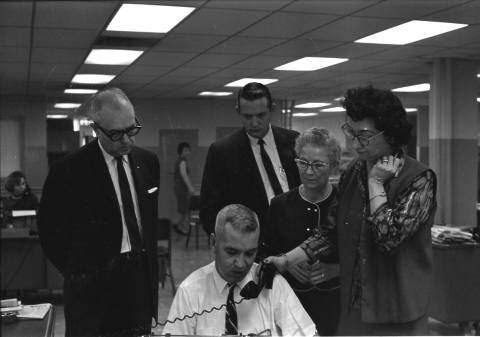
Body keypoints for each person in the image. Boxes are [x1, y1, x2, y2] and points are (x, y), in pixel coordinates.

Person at [266, 85, 437, 336]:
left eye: (364, 135)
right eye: (351, 132)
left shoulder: (419, 178)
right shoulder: (354, 171)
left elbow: (388, 237)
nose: (355, 143)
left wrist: (376, 184)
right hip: (354, 307)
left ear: (389, 133)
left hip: (398, 310)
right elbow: (330, 232)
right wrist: (286, 260)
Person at [37, 88, 160, 337]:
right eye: (116, 134)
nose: (127, 140)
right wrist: (80, 272)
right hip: (91, 291)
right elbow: (50, 234)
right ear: (96, 129)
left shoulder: (148, 162)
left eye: (132, 129)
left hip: (138, 283)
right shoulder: (68, 171)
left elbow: (148, 223)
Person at [163, 204, 316, 336]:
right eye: (231, 252)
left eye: (250, 253)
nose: (241, 264)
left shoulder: (273, 286)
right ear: (213, 243)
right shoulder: (190, 291)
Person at [262, 127, 341, 336]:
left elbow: (364, 258)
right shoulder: (279, 205)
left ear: (333, 167)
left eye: (318, 165)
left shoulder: (344, 204)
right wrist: (286, 264)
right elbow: (262, 253)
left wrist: (336, 269)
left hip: (335, 305)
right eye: (303, 163)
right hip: (289, 304)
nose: (308, 171)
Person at [200, 82, 301, 237]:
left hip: (296, 240)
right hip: (249, 245)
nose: (254, 123)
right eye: (247, 116)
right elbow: (209, 209)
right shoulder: (222, 152)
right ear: (238, 112)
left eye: (261, 115)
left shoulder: (294, 142)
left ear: (271, 109)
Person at [173, 142, 195, 235]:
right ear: (181, 151)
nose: (188, 152)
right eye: (185, 150)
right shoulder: (182, 161)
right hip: (181, 188)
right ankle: (179, 226)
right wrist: (190, 188)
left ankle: (179, 226)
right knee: (184, 209)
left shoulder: (181, 160)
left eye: (188, 150)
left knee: (184, 209)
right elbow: (184, 175)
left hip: (180, 187)